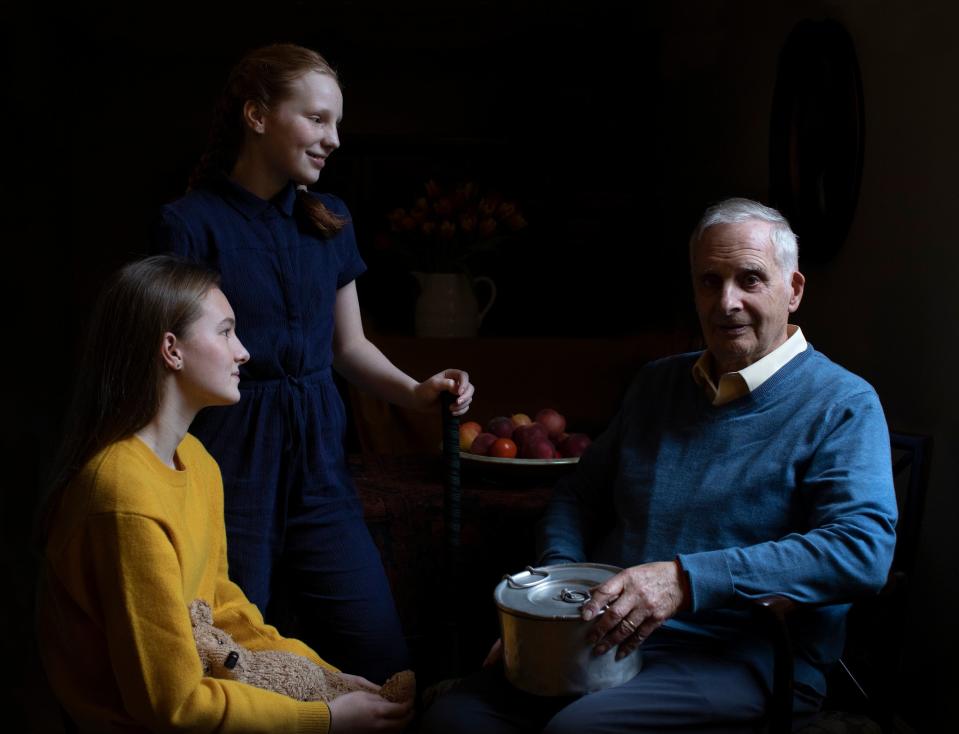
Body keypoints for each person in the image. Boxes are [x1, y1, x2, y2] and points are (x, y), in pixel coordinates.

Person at [421, 197, 898, 733]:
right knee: (452, 719)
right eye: (709, 281)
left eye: (750, 279)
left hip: (739, 655)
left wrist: (685, 580)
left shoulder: (843, 402)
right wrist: (556, 598)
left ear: (794, 290)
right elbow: (577, 497)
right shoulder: (657, 383)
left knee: (577, 731)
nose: (727, 302)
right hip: (600, 634)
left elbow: (862, 549)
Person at [150, 43, 474, 683]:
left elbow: (346, 348)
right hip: (228, 466)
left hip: (322, 468)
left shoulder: (331, 221)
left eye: (338, 123)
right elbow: (169, 362)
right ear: (257, 115)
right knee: (233, 664)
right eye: (318, 119)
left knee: (384, 660)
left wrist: (416, 391)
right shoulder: (188, 225)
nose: (334, 139)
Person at [35, 255, 413, 733]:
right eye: (226, 332)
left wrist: (327, 680)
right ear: (171, 350)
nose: (244, 352)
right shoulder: (121, 495)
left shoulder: (196, 460)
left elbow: (224, 610)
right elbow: (173, 706)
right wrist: (324, 721)